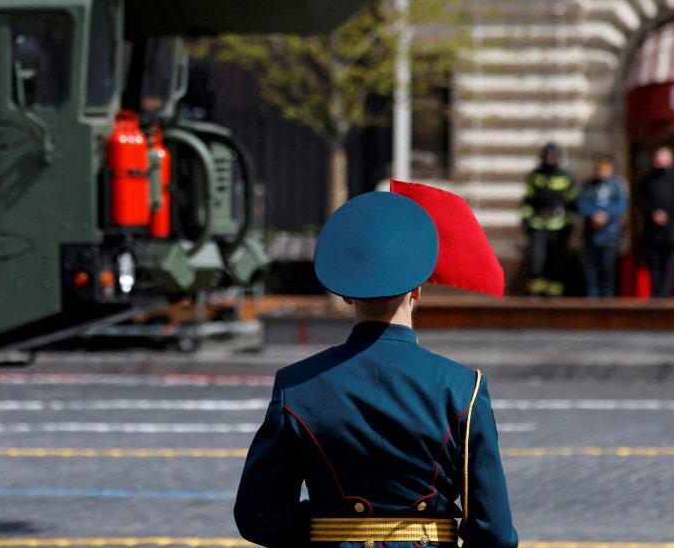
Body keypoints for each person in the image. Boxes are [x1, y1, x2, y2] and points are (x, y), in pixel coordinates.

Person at [235, 191, 517, 548]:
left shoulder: (296, 386)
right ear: (418, 289)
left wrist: (331, 527)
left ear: (346, 295)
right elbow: (494, 533)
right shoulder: (463, 388)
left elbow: (257, 516)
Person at [520, 142, 575, 296]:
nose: (550, 159)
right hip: (538, 225)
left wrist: (569, 225)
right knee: (537, 260)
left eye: (553, 156)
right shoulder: (535, 175)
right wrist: (527, 221)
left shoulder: (564, 176)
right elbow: (527, 200)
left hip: (558, 227)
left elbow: (571, 202)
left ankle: (554, 294)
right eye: (547, 156)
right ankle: (535, 293)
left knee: (556, 261)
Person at [636, 147, 674, 298]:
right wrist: (653, 213)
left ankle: (664, 293)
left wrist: (666, 214)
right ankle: (654, 292)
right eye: (658, 158)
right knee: (653, 264)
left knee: (668, 265)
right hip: (652, 230)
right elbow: (641, 199)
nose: (659, 161)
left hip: (670, 230)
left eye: (663, 158)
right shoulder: (647, 180)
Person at [576, 155, 627, 298]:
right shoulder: (588, 185)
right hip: (592, 233)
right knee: (591, 268)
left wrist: (606, 216)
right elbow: (582, 203)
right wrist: (593, 215)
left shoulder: (617, 186)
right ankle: (592, 296)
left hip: (610, 234)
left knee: (607, 267)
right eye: (600, 169)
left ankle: (607, 297)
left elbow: (621, 205)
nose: (602, 172)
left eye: (605, 169)